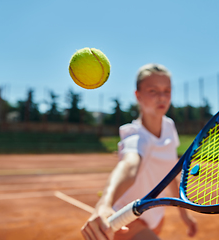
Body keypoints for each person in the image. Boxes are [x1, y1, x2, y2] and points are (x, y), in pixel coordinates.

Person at [81, 63, 197, 240]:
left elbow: (171, 171)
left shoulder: (169, 126)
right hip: (127, 218)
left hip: (155, 216)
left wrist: (184, 214)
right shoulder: (135, 135)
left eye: (167, 91)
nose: (162, 97)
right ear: (138, 95)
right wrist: (105, 203)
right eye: (153, 91)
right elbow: (129, 166)